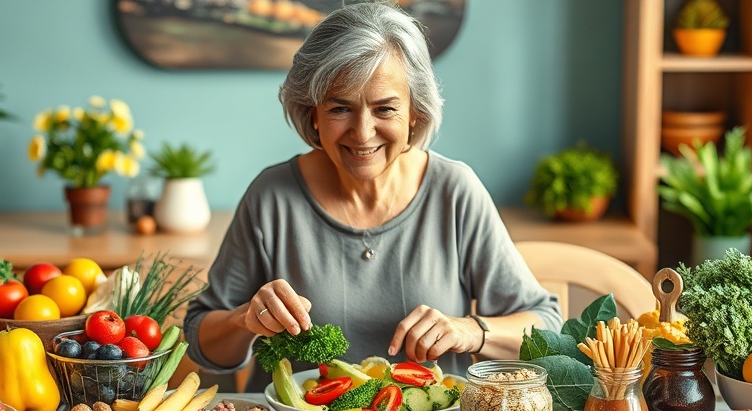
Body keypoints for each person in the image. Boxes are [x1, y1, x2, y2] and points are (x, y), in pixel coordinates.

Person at [183, 1, 562, 390]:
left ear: (415, 111)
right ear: (313, 113)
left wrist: (472, 331)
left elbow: (546, 326)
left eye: (384, 109)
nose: (363, 133)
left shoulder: (454, 191)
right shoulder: (272, 196)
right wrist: (243, 319)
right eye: (340, 108)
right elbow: (201, 341)